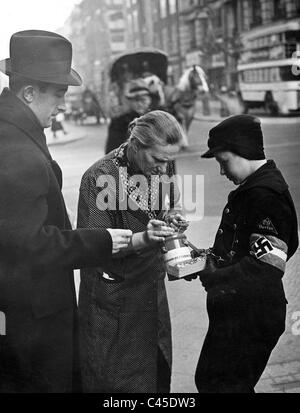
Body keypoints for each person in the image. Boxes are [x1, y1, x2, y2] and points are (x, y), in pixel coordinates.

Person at [0, 30, 132, 393]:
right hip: (34, 319)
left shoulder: (13, 135)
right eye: (58, 94)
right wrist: (102, 241)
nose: (62, 105)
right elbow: (29, 245)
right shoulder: (17, 152)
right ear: (29, 94)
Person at [77, 110, 188, 393]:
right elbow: (94, 247)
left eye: (169, 160)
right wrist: (144, 239)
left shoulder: (163, 165)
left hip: (150, 290)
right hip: (113, 300)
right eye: (158, 160)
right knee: (115, 383)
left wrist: (173, 215)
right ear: (136, 145)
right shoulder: (100, 177)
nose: (164, 169)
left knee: (157, 376)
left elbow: (169, 200)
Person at [194, 114, 298, 393]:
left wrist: (217, 277)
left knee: (222, 386)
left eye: (223, 161)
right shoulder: (252, 190)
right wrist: (205, 260)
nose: (221, 171)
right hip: (239, 311)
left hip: (251, 316)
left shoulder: (265, 195)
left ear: (243, 151)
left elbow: (266, 266)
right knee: (214, 382)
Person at [105, 78, 151, 154]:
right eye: (136, 100)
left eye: (143, 100)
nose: (139, 104)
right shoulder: (119, 123)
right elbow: (112, 152)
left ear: (149, 100)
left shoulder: (157, 119)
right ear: (129, 102)